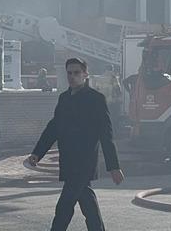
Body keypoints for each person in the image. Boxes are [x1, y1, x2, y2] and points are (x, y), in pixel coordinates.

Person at [26, 57, 124, 231]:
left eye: (76, 73)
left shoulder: (95, 99)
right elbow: (53, 128)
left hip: (85, 161)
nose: (72, 76)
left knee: (64, 205)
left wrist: (113, 166)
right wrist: (37, 153)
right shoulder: (64, 98)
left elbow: (106, 134)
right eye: (69, 73)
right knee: (88, 203)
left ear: (85, 74)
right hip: (68, 159)